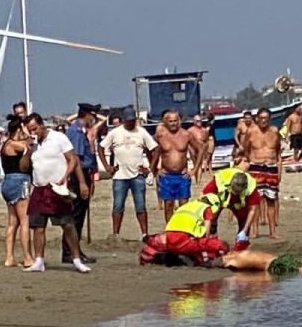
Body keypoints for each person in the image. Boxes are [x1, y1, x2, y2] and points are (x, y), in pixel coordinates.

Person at [21, 113, 91, 273]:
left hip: (57, 187)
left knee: (67, 224)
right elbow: (24, 167)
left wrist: (78, 181)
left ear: (42, 125)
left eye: (35, 129)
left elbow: (73, 159)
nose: (34, 132)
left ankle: (76, 259)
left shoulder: (58, 138)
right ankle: (39, 260)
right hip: (39, 187)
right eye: (30, 130)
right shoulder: (33, 145)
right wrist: (29, 150)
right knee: (38, 226)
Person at [98, 106, 158, 239]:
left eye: (133, 120)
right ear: (124, 120)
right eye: (129, 121)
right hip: (120, 175)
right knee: (118, 205)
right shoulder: (115, 132)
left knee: (140, 205)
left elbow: (155, 148)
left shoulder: (141, 132)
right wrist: (107, 166)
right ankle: (116, 234)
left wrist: (150, 168)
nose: (132, 123)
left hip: (137, 175)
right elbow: (101, 147)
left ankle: (144, 233)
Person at [139, 194, 229, 266]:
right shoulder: (206, 208)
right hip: (185, 241)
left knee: (152, 245)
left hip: (168, 239)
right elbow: (206, 232)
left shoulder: (185, 207)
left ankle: (165, 257)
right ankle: (198, 260)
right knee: (221, 245)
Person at [62, 102, 100, 264]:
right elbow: (75, 159)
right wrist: (83, 182)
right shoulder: (76, 132)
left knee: (79, 216)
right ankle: (70, 252)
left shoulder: (81, 131)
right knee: (75, 216)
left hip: (84, 174)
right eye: (93, 115)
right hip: (78, 177)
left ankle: (74, 250)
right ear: (87, 114)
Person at [150, 109, 203, 223]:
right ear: (166, 122)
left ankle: (182, 230)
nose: (173, 123)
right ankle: (170, 231)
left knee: (184, 205)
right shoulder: (160, 135)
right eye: (170, 121)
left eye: (175, 120)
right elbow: (149, 147)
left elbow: (201, 148)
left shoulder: (186, 134)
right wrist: (154, 169)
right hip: (167, 176)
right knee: (168, 205)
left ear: (179, 121)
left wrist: (195, 169)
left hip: (182, 176)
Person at [1, 114, 34, 268]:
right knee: (24, 220)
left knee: (12, 222)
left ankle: (9, 257)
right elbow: (29, 146)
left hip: (8, 181)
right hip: (19, 181)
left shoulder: (5, 144)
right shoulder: (15, 145)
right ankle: (27, 256)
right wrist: (26, 134)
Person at [243, 108, 282, 238]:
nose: (264, 121)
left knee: (271, 199)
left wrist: (279, 170)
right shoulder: (251, 132)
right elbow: (246, 149)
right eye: (262, 118)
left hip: (271, 167)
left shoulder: (275, 131)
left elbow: (278, 152)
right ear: (257, 119)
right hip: (256, 167)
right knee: (256, 200)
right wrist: (251, 162)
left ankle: (272, 232)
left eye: (266, 118)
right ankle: (255, 231)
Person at [202, 168, 260, 250]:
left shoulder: (251, 187)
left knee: (244, 221)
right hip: (220, 199)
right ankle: (211, 242)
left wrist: (244, 230)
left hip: (239, 203)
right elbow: (205, 200)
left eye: (238, 192)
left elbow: (252, 210)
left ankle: (241, 245)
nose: (236, 193)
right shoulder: (219, 180)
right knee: (211, 217)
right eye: (235, 191)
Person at [208, 249, 302, 274]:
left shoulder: (234, 262)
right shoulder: (236, 253)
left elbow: (232, 270)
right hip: (278, 258)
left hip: (273, 265)